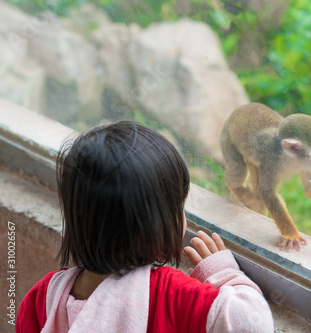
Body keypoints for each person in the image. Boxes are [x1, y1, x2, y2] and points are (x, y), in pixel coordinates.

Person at [16, 121, 274, 332]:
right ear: (153, 229)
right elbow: (253, 324)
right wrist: (223, 273)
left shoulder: (43, 296)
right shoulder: (169, 293)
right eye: (178, 207)